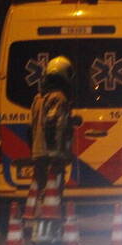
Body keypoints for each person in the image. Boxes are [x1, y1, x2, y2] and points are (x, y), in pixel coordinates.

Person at [30, 56, 76, 208]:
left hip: (38, 154)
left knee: (43, 194)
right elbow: (51, 124)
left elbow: (33, 127)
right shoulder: (58, 97)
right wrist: (54, 154)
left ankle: (43, 226)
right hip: (51, 155)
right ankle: (53, 228)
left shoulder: (38, 98)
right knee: (54, 196)